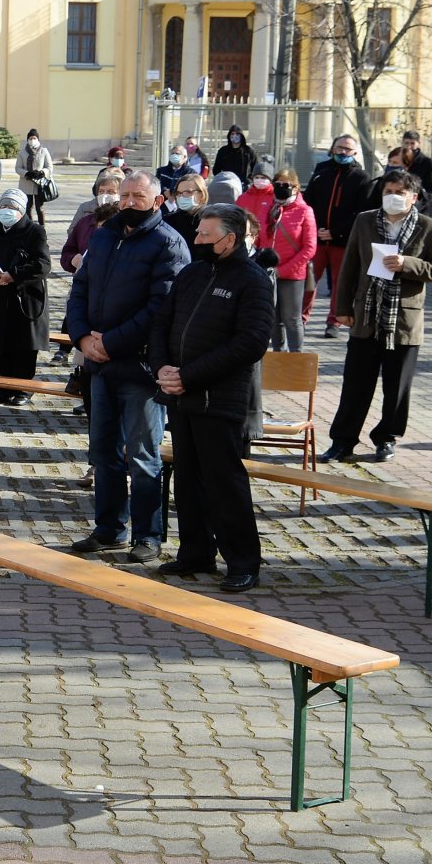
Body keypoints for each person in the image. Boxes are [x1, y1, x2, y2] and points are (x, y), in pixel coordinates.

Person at [149, 202, 276, 592]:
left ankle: (242, 561)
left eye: (205, 235)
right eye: (197, 233)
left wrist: (190, 376)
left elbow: (251, 342)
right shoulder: (193, 272)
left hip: (219, 398)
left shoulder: (252, 280)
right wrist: (161, 368)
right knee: (187, 478)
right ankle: (195, 552)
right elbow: (162, 322)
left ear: (230, 239)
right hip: (181, 395)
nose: (197, 240)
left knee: (224, 481)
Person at [65, 170, 189, 564]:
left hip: (139, 367)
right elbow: (79, 289)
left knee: (142, 454)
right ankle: (109, 529)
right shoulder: (103, 236)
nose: (130, 202)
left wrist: (111, 342)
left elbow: (161, 307)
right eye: (125, 195)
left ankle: (148, 535)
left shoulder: (169, 244)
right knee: (103, 452)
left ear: (157, 200)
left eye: (139, 195)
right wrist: (83, 337)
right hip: (99, 365)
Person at [319, 171, 432, 464]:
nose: (392, 196)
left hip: (403, 321)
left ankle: (387, 438)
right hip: (366, 315)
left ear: (413, 197)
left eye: (400, 192)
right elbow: (350, 266)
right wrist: (342, 308)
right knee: (355, 384)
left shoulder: (431, 228)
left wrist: (408, 264)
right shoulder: (365, 221)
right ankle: (342, 441)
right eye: (388, 190)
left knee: (396, 387)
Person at [0, 187, 51, 403]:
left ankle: (23, 389)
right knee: (0, 343)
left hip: (25, 298)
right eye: (3, 206)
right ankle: (3, 387)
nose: (6, 210)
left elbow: (43, 264)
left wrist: (13, 275)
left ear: (21, 210)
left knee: (23, 346)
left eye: (11, 206)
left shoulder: (34, 231)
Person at [305, 135, 373, 338]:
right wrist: (316, 228)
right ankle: (300, 317)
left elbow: (361, 212)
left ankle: (334, 322)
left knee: (340, 283)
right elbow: (309, 203)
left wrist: (335, 231)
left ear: (354, 152)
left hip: (343, 241)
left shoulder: (362, 177)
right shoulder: (321, 171)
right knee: (308, 279)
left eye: (347, 149)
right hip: (316, 238)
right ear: (333, 148)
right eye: (339, 147)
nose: (343, 152)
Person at [245, 168, 318, 352]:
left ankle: (296, 356)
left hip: (293, 275)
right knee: (273, 319)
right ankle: (278, 356)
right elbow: (258, 239)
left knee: (291, 319)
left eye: (286, 185)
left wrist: (283, 270)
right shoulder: (267, 209)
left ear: (296, 188)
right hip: (267, 273)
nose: (281, 188)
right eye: (277, 184)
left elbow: (309, 248)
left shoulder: (304, 211)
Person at [60, 173, 121, 272]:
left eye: (110, 192)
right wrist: (72, 260)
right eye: (101, 191)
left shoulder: (126, 222)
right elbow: (68, 251)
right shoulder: (85, 221)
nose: (105, 195)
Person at [15, 130, 56, 225]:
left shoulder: (44, 151)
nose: (32, 140)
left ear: (38, 139)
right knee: (28, 207)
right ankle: (30, 227)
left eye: (34, 138)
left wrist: (42, 172)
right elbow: (18, 168)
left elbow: (50, 167)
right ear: (27, 140)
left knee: (39, 207)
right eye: (30, 138)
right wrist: (26, 173)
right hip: (26, 183)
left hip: (40, 184)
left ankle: (42, 228)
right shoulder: (23, 152)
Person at [397, 130, 432, 209]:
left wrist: (421, 204)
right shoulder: (397, 159)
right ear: (402, 143)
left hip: (418, 206)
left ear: (419, 143)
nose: (409, 146)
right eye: (406, 143)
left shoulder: (428, 163)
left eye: (412, 143)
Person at [165, 172, 207, 244]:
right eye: (178, 193)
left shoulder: (211, 220)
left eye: (188, 192)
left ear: (202, 194)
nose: (182, 196)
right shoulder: (169, 220)